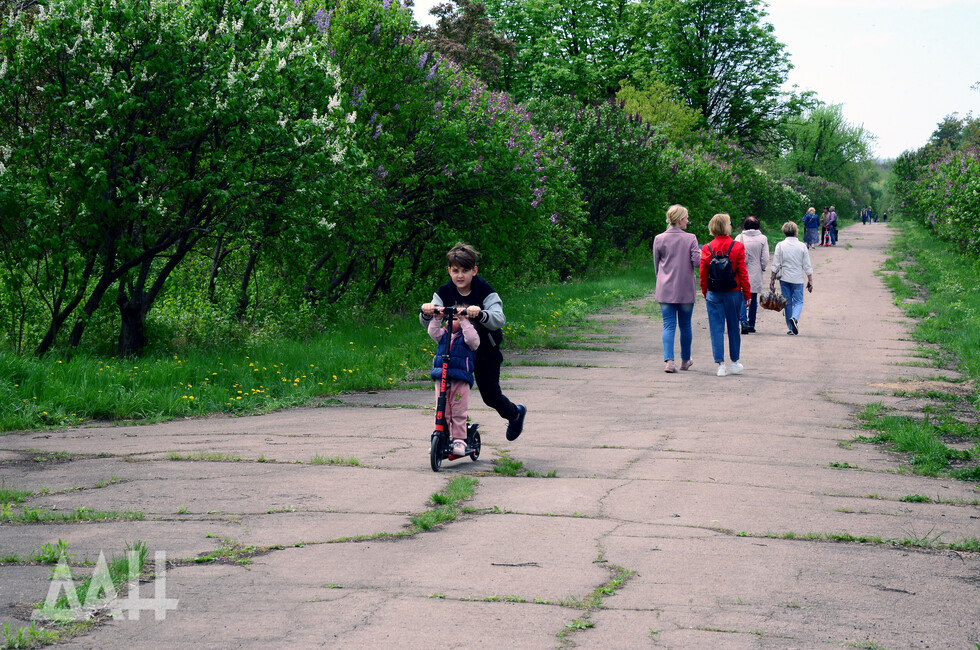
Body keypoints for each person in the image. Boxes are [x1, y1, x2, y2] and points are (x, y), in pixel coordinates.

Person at [421, 243, 527, 441]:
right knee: (444, 396)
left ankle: (515, 414)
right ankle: (445, 437)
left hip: (485, 351)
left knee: (490, 396)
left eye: (465, 270)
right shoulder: (444, 292)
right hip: (457, 352)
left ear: (474, 271)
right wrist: (428, 310)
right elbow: (431, 313)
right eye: (455, 271)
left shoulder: (484, 290)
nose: (460, 276)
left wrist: (481, 313)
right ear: (449, 271)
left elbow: (499, 318)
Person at [700, 213, 750, 377]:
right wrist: (747, 293)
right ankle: (734, 362)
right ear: (726, 227)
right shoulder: (737, 247)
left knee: (716, 328)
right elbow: (743, 272)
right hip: (733, 293)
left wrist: (705, 291)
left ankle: (720, 365)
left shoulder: (706, 248)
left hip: (713, 293)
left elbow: (703, 273)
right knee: (734, 327)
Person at [653, 204, 700, 373]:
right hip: (685, 288)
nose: (688, 221)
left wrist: (662, 279)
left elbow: (656, 265)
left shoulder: (659, 238)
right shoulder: (691, 238)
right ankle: (685, 360)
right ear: (680, 220)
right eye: (686, 218)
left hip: (665, 288)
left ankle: (669, 362)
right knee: (685, 325)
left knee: (668, 325)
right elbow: (697, 263)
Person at [427, 306, 479, 456]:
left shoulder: (467, 335)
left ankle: (459, 440)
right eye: (448, 319)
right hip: (441, 376)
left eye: (454, 319)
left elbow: (474, 341)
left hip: (460, 379)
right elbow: (432, 332)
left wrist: (464, 319)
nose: (449, 321)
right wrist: (437, 318)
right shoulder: (443, 334)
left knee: (458, 411)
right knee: (442, 411)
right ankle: (441, 438)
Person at [769, 221, 814, 336]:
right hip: (797, 279)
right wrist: (810, 280)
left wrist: (772, 279)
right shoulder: (802, 246)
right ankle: (794, 318)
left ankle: (790, 328)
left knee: (787, 302)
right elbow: (806, 265)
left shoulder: (780, 245)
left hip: (784, 278)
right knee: (798, 301)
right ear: (796, 232)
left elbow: (776, 263)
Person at [734, 216, 768, 334]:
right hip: (755, 271)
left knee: (742, 297)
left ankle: (743, 321)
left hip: (740, 270)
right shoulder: (763, 238)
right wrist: (762, 267)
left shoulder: (739, 237)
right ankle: (751, 324)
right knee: (752, 298)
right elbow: (765, 258)